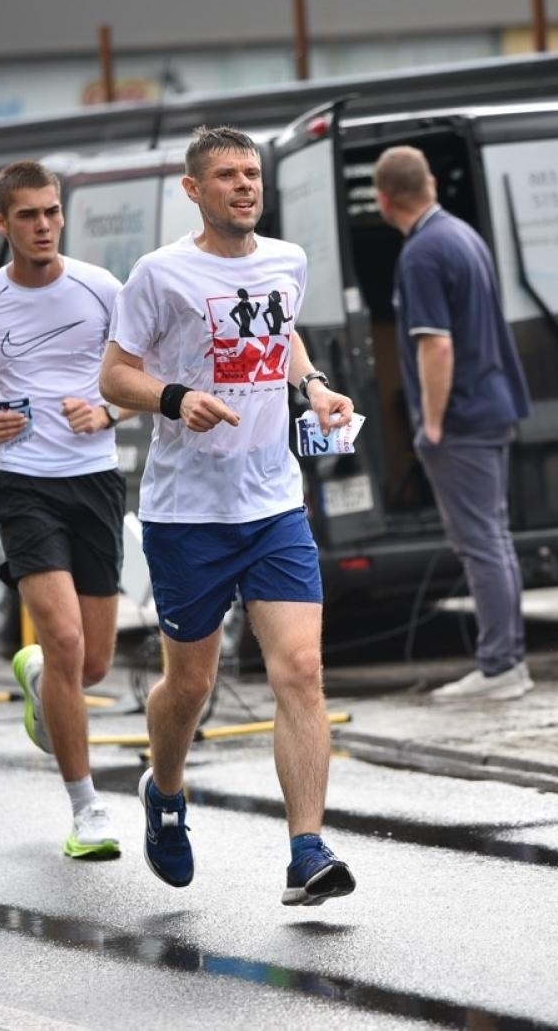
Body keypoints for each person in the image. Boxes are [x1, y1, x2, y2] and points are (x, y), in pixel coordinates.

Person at [99, 125, 359, 907]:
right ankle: (166, 790)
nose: (245, 186)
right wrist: (175, 398)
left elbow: (280, 339)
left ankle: (306, 850)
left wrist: (313, 387)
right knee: (192, 683)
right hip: (188, 514)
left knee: (301, 671)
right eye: (227, 176)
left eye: (252, 174)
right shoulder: (159, 273)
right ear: (194, 189)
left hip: (273, 500)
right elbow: (115, 376)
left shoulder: (289, 260)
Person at [0, 159, 129, 861]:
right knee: (65, 641)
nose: (43, 225)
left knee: (92, 663)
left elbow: (143, 381)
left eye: (52, 212)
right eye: (28, 215)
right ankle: (87, 808)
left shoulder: (102, 288)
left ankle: (40, 678)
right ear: (2, 223)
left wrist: (107, 410)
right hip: (25, 485)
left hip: (96, 482)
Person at [372, 146, 534, 702]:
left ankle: (500, 666)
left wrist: (432, 424)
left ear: (383, 199)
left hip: (461, 416)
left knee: (480, 542)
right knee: (495, 537)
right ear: (432, 183)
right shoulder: (463, 235)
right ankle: (505, 660)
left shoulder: (422, 253)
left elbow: (436, 345)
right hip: (492, 404)